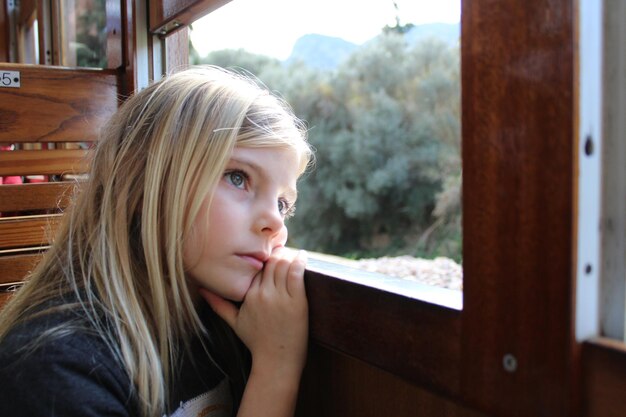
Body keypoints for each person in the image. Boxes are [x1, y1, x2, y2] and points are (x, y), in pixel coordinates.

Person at [0, 66, 314, 417]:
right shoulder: (53, 372)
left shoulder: (224, 328)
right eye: (238, 177)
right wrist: (277, 370)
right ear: (142, 185)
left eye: (283, 203)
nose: (275, 221)